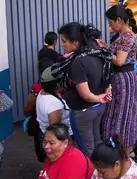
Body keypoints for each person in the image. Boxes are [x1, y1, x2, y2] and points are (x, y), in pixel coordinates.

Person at [41, 23, 112, 157]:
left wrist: (99, 97)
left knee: (87, 148)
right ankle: (101, 171)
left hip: (83, 111)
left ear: (75, 42)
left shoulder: (77, 61)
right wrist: (102, 97)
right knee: (97, 140)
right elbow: (107, 79)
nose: (62, 45)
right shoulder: (99, 53)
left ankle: (92, 174)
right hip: (98, 108)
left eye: (64, 41)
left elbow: (85, 95)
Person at [101, 5, 137, 157]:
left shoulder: (127, 37)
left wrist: (103, 51)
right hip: (123, 78)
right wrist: (105, 46)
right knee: (120, 112)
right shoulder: (122, 36)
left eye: (110, 22)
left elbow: (119, 60)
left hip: (124, 80)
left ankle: (124, 149)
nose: (109, 25)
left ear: (119, 20)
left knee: (122, 114)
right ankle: (122, 148)